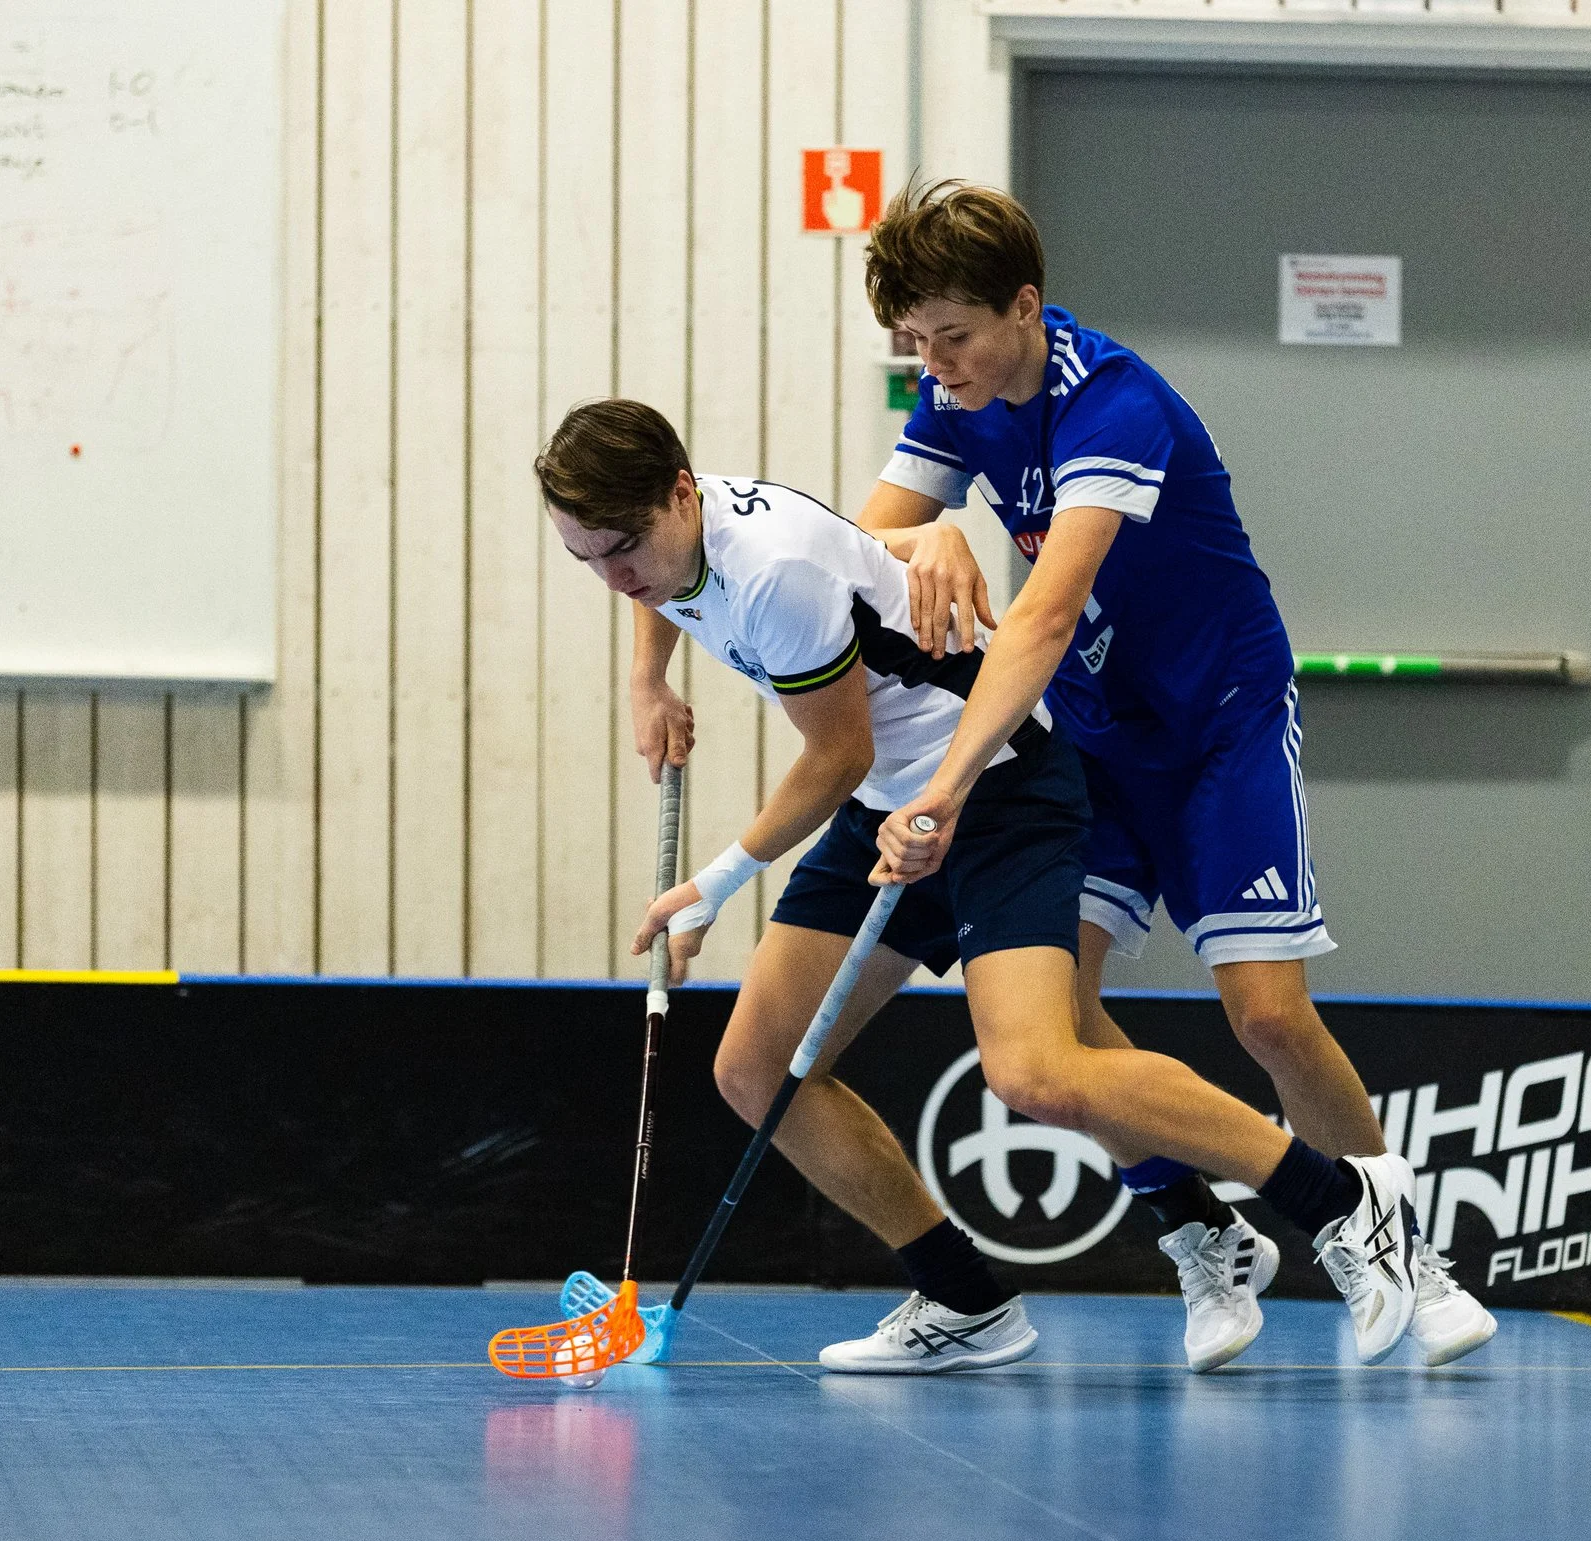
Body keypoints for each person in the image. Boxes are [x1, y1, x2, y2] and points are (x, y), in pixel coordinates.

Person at [535, 398, 1423, 1374]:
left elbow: (836, 754)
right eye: (586, 559)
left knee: (1037, 1071)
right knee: (757, 1069)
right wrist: (645, 678)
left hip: (997, 785)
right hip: (893, 803)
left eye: (620, 547)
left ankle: (1340, 1201)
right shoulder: (669, 540)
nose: (615, 577)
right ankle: (967, 1300)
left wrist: (716, 881)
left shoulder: (771, 575)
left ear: (679, 492)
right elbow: (657, 588)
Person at [853, 181, 1495, 1370]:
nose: (934, 367)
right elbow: (860, 548)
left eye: (952, 337)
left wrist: (944, 782)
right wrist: (929, 531)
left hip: (1219, 728)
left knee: (1266, 1014)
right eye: (915, 343)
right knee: (1057, 1019)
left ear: (1024, 308)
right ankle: (1201, 1226)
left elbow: (1039, 619)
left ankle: (1404, 1245)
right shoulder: (962, 398)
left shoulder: (1119, 406)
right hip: (1096, 741)